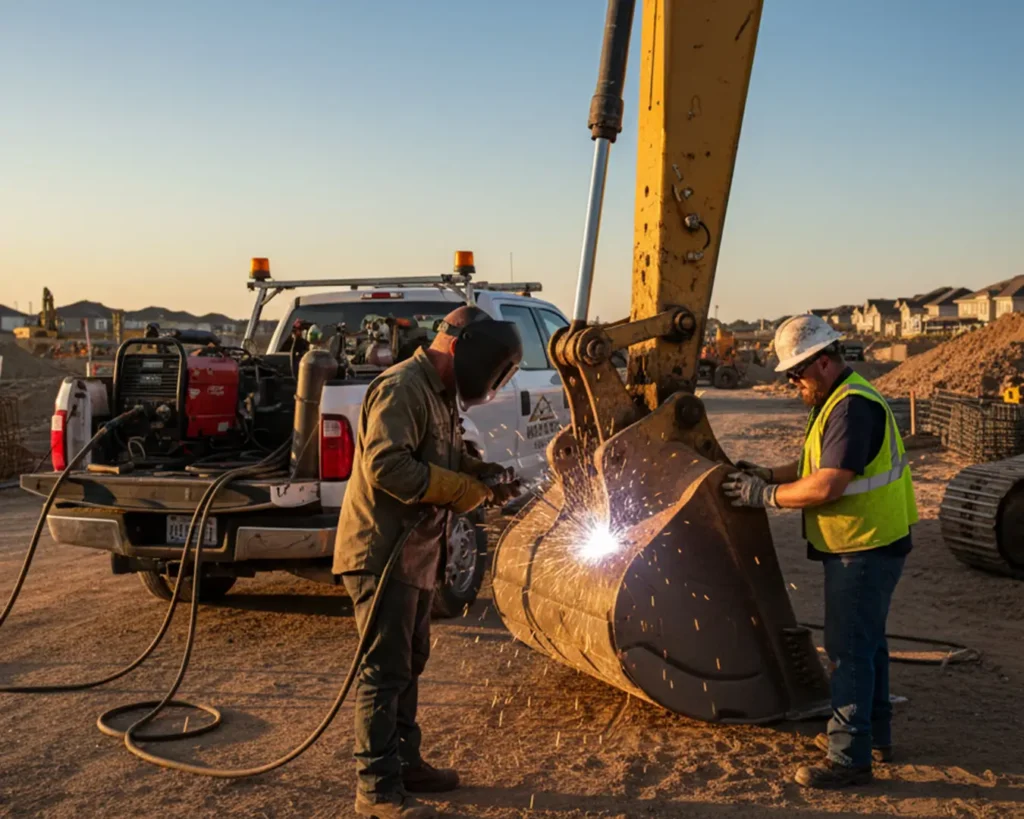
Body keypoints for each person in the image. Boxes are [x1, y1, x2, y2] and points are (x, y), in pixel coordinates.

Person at [333, 305, 524, 819]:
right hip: (381, 551)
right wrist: (467, 491)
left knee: (409, 663)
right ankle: (375, 789)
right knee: (384, 669)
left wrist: (485, 473)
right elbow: (387, 466)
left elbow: (443, 456)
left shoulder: (438, 396)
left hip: (414, 554)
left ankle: (404, 763)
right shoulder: (402, 388)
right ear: (461, 350)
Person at [721, 314, 917, 790]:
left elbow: (828, 484)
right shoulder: (837, 400)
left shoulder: (851, 408)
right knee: (868, 644)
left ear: (824, 363)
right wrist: (769, 473)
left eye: (796, 374)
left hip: (864, 545)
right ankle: (874, 737)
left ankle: (849, 757)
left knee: (849, 651)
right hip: (869, 540)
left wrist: (761, 497)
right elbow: (815, 464)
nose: (793, 384)